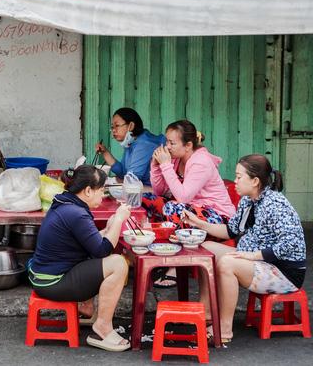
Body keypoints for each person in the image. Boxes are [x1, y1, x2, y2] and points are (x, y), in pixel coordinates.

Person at [181, 154, 306, 343]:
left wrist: (253, 255)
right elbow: (231, 231)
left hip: (283, 272)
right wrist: (199, 223)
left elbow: (291, 244)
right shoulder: (248, 201)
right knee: (205, 250)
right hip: (257, 261)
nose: (235, 181)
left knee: (227, 264)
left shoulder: (275, 204)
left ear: (255, 181)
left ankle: (224, 329)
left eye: (239, 177)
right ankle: (206, 312)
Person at [29, 165, 131, 352]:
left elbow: (89, 241)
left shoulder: (66, 204)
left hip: (44, 277)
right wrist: (118, 220)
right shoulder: (75, 213)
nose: (103, 195)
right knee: (118, 264)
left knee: (107, 260)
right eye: (101, 190)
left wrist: (108, 230)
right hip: (52, 282)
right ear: (88, 191)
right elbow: (102, 250)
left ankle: (88, 311)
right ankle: (102, 328)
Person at [143, 120, 235, 287]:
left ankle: (175, 266)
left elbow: (183, 197)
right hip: (191, 213)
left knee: (172, 207)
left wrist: (165, 165)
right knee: (147, 199)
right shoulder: (177, 159)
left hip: (219, 218)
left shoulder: (201, 162)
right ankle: (160, 253)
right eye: (166, 142)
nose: (167, 147)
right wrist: (156, 166)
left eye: (172, 143)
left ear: (188, 145)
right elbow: (160, 191)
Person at [95, 108, 165, 186]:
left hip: (152, 192)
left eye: (117, 125)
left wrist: (111, 181)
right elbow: (123, 172)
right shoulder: (131, 141)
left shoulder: (144, 144)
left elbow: (131, 180)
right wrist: (105, 152)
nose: (114, 130)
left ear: (131, 126)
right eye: (112, 127)